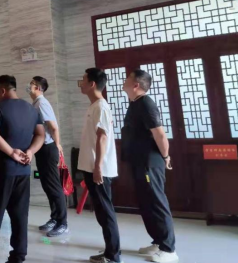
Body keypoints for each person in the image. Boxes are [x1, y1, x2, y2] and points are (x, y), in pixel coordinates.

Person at [0, 75, 45, 263]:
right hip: (23, 172)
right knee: (20, 216)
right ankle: (18, 256)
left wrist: (12, 152)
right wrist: (30, 151)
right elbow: (41, 135)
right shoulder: (31, 109)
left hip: (1, 171)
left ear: (2, 90)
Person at [122, 70, 178, 263]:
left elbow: (160, 134)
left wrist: (166, 156)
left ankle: (169, 249)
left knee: (156, 202)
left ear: (136, 85)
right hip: (138, 161)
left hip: (149, 162)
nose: (124, 81)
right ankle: (158, 242)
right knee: (146, 202)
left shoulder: (146, 103)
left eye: (128, 78)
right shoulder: (135, 103)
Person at [78, 68, 121, 263]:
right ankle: (109, 251)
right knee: (102, 213)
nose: (81, 83)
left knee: (105, 212)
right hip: (92, 167)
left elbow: (102, 138)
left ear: (92, 84)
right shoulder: (94, 106)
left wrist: (98, 167)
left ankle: (113, 256)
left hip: (99, 169)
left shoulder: (101, 107)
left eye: (83, 80)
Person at [27, 76, 68, 236]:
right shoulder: (36, 103)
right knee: (47, 185)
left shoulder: (42, 103)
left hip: (48, 148)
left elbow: (53, 127)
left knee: (54, 186)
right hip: (42, 149)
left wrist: (57, 145)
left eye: (31, 84)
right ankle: (55, 218)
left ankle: (63, 223)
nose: (29, 86)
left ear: (38, 87)